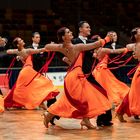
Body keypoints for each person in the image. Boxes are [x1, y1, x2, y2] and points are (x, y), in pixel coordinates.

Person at [43, 27, 113, 129]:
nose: (71, 32)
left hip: (74, 76)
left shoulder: (61, 47)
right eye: (68, 32)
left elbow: (47, 46)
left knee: (82, 99)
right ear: (64, 37)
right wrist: (106, 39)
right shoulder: (77, 47)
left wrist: (55, 45)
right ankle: (49, 114)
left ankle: (85, 120)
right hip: (76, 77)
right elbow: (95, 45)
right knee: (82, 99)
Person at [72, 21, 113, 127]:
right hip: (79, 76)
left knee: (101, 93)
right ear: (80, 29)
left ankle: (103, 119)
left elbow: (98, 48)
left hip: (88, 75)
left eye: (89, 27)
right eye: (87, 27)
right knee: (71, 100)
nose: (89, 29)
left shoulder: (90, 42)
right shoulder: (74, 42)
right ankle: (51, 115)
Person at [4, 37, 59, 110]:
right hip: (28, 71)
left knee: (22, 89)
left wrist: (17, 55)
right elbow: (40, 50)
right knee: (45, 83)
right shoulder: (27, 51)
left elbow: (8, 51)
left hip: (24, 72)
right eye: (20, 40)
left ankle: (40, 103)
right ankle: (40, 103)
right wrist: (50, 46)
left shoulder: (17, 51)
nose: (23, 40)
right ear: (17, 44)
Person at [27, 32, 60, 124]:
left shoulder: (43, 47)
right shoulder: (28, 47)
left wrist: (51, 48)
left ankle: (41, 102)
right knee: (34, 88)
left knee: (42, 88)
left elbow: (46, 56)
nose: (38, 39)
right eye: (36, 37)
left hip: (41, 72)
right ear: (32, 38)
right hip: (32, 72)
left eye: (39, 37)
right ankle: (38, 102)